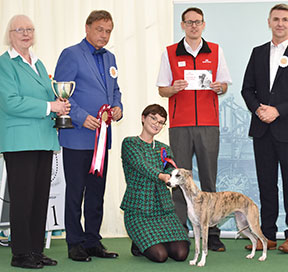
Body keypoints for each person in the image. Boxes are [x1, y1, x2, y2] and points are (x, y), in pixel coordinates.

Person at [156, 7, 232, 251]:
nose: (193, 26)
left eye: (197, 22)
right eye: (189, 22)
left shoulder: (216, 51)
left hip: (209, 124)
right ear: (182, 25)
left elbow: (224, 87)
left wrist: (220, 87)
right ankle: (180, 232)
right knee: (178, 179)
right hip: (180, 124)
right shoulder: (169, 53)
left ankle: (212, 234)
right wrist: (173, 88)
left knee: (209, 179)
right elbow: (161, 89)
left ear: (203, 24)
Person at [0, 15, 70, 269]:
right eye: (20, 30)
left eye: (30, 29)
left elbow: (48, 96)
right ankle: (20, 254)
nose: (26, 34)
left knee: (40, 198)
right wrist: (49, 105)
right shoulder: (4, 64)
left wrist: (59, 106)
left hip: (43, 139)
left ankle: (35, 251)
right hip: (19, 141)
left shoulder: (39, 64)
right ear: (11, 34)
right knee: (23, 198)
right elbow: (10, 101)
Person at [54, 10, 122, 262]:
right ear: (87, 28)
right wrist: (82, 117)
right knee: (75, 192)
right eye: (99, 29)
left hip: (102, 139)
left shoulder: (111, 57)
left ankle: (93, 241)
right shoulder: (71, 54)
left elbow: (115, 90)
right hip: (77, 137)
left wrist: (117, 107)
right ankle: (74, 243)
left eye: (108, 31)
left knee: (97, 192)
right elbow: (62, 93)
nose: (104, 35)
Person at [242, 3, 288, 254]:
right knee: (266, 184)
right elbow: (247, 89)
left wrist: (278, 110)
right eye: (275, 19)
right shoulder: (257, 53)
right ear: (268, 22)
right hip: (262, 131)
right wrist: (258, 109)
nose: (280, 23)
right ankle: (267, 234)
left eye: (284, 19)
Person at [120, 104, 190, 263]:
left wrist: (178, 175)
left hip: (163, 209)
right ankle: (139, 244)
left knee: (181, 254)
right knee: (160, 256)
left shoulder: (164, 148)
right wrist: (162, 176)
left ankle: (154, 241)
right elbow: (142, 166)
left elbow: (172, 168)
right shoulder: (130, 143)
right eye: (153, 118)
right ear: (143, 118)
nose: (156, 124)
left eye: (161, 122)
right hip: (139, 210)